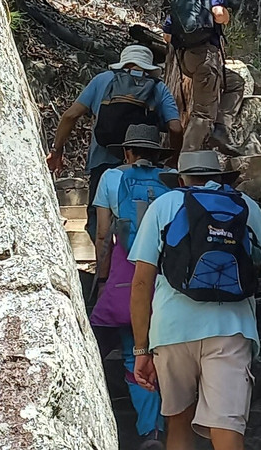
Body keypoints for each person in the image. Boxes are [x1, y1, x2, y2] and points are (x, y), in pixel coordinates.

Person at [128, 151, 261, 450]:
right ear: (220, 178)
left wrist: (141, 349)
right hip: (230, 328)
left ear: (180, 179)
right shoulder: (244, 206)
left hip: (172, 330)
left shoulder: (163, 205)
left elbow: (140, 283)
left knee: (178, 421)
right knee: (226, 427)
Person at [91, 124, 175, 450]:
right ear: (157, 153)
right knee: (165, 350)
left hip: (128, 277)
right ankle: (177, 422)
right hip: (168, 280)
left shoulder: (110, 179)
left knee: (133, 352)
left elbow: (102, 237)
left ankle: (150, 431)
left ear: (127, 152)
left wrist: (101, 280)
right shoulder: (173, 177)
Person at [46, 44, 182, 241]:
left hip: (102, 161)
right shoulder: (158, 87)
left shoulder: (103, 80)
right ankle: (134, 264)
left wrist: (57, 151)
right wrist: (173, 159)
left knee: (98, 220)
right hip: (143, 164)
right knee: (139, 219)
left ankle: (106, 268)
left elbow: (70, 116)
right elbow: (176, 128)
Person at [163, 0, 246, 154]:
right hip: (206, 57)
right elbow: (218, 14)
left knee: (235, 83)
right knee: (202, 113)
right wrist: (225, 17)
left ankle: (221, 128)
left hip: (187, 59)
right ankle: (187, 160)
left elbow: (166, 35)